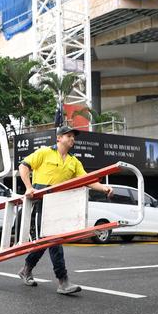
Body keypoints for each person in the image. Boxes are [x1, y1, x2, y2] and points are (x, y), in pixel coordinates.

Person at [17, 125, 113, 294]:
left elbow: (87, 179)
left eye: (73, 137)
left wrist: (103, 188)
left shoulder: (73, 161)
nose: (72, 139)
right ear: (59, 138)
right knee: (53, 239)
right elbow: (23, 166)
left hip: (60, 204)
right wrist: (28, 187)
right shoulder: (44, 152)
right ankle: (63, 280)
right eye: (69, 136)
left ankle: (27, 269)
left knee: (48, 240)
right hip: (42, 202)